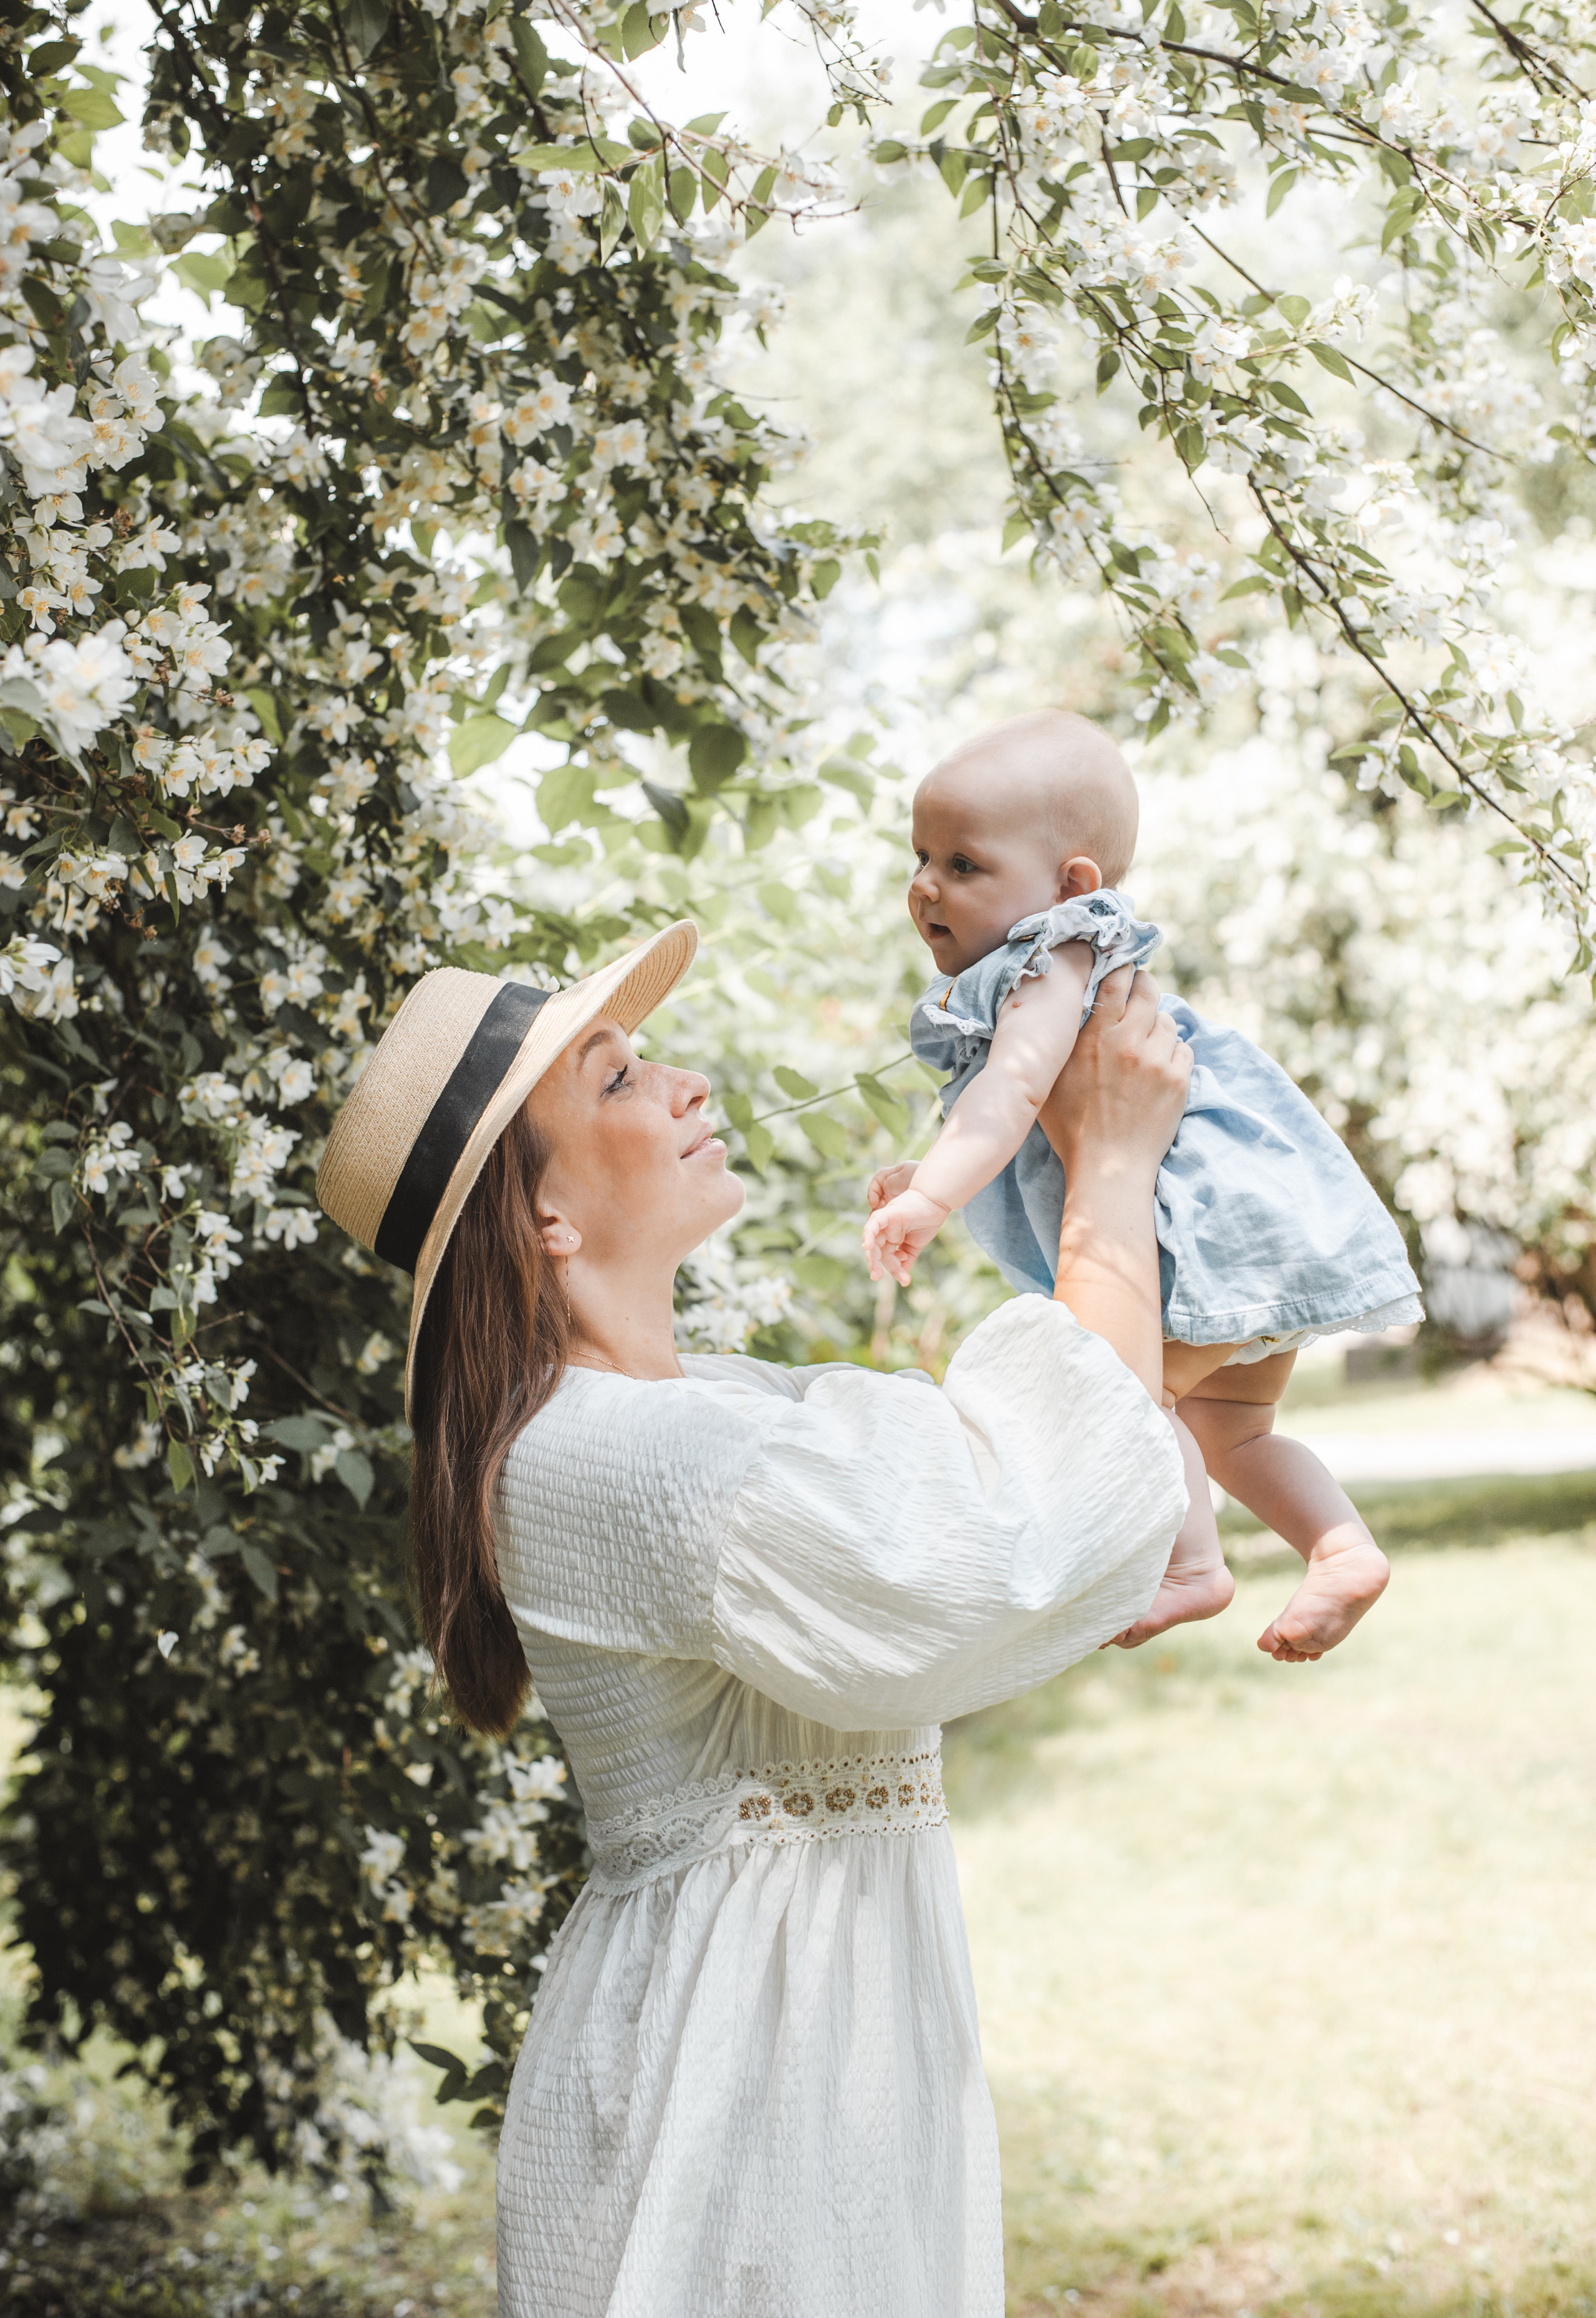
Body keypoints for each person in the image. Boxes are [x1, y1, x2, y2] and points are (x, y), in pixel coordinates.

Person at [315, 916, 1194, 2318]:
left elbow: (1018, 1476)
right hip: (727, 2087)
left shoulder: (711, 1406)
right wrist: (1114, 1167)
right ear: (543, 1216)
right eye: (614, 1080)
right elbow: (1001, 1546)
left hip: (807, 2043)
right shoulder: (619, 1459)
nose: (683, 1088)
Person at [863, 707, 1413, 1661]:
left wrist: (933, 1197)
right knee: (1232, 1431)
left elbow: (1015, 1091)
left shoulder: (1050, 955)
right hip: (1239, 1233)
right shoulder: (1067, 964)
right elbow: (1033, 1126)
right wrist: (940, 1169)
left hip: (1187, 1247)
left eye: (962, 864)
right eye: (919, 857)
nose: (924, 887)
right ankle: (1340, 1546)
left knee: (1133, 1401)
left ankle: (1194, 1568)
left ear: (1070, 883)